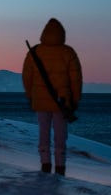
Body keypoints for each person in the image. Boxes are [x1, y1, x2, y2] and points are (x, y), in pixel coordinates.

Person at [22, 17, 82, 176]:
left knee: (43, 134)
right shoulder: (68, 52)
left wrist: (31, 96)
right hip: (62, 102)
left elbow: (27, 78)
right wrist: (74, 100)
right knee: (61, 137)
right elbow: (76, 79)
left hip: (40, 102)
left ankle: (45, 165)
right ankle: (60, 168)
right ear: (62, 34)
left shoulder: (34, 52)